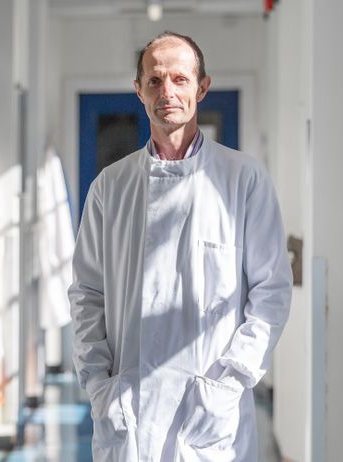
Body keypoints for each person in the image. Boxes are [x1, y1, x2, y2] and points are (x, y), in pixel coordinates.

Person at [68, 31, 293, 461]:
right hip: (127, 413)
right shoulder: (109, 188)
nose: (166, 92)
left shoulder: (243, 179)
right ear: (138, 90)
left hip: (210, 416)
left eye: (179, 79)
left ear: (201, 87)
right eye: (154, 81)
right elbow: (86, 295)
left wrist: (230, 383)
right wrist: (99, 387)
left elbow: (271, 293)